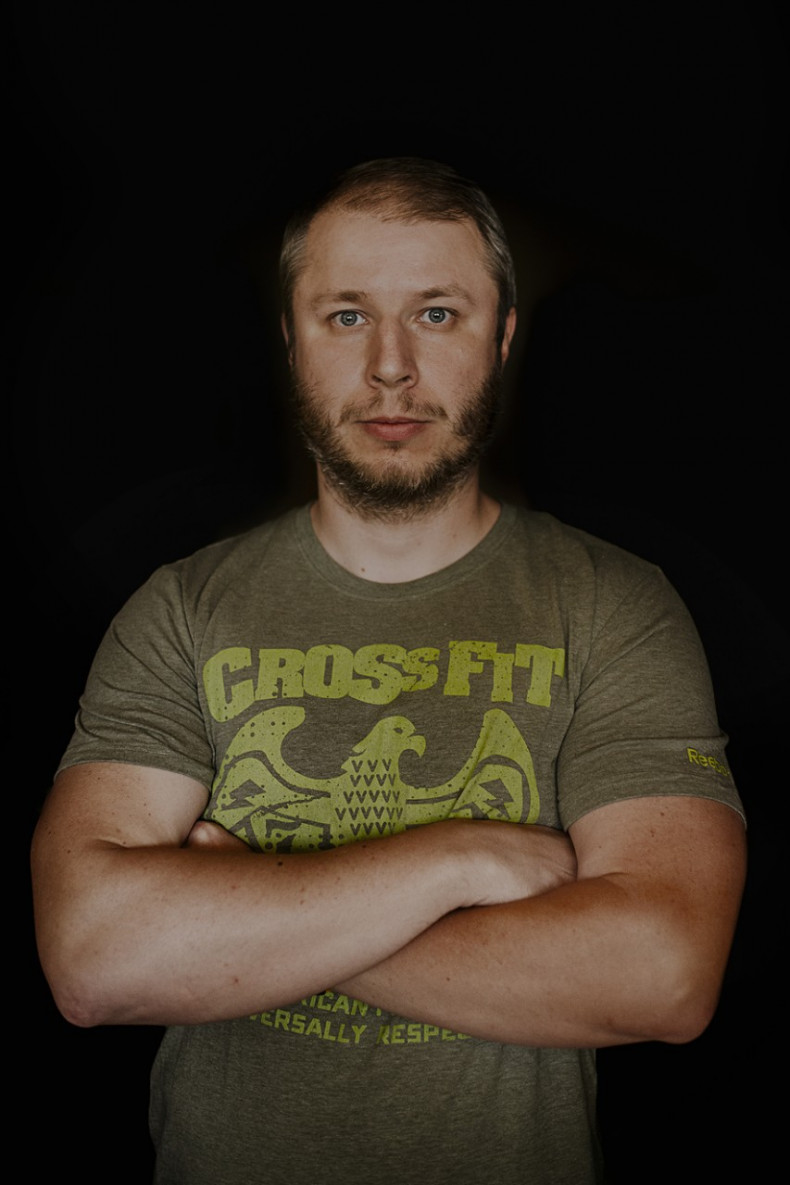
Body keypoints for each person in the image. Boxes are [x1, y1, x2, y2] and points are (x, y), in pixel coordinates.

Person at [32, 158, 746, 1184]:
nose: (392, 368)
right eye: (348, 317)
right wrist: (457, 862)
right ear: (292, 340)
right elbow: (94, 959)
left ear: (503, 336)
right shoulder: (183, 609)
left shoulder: (613, 608)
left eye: (438, 314)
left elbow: (663, 975)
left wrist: (244, 911)